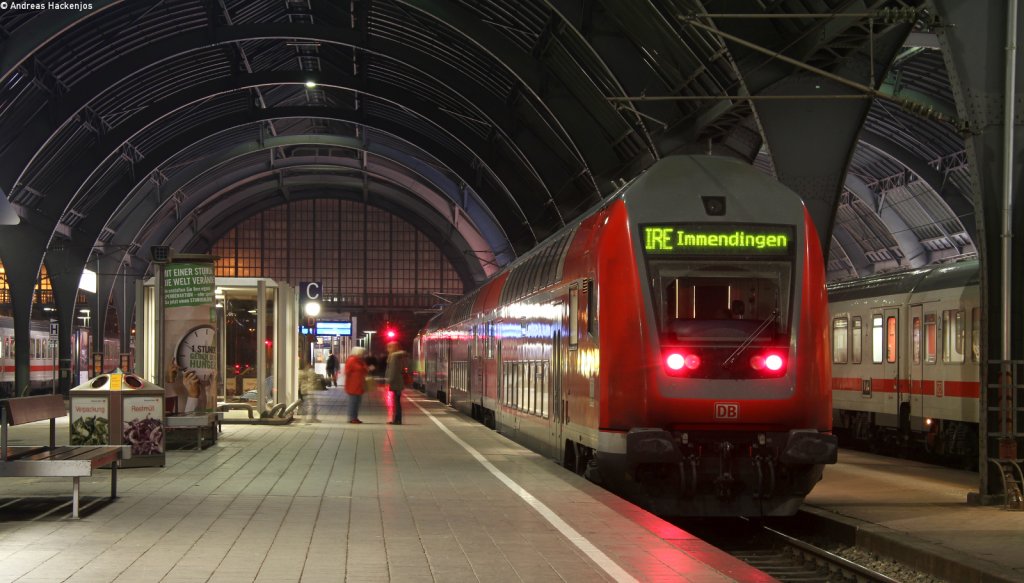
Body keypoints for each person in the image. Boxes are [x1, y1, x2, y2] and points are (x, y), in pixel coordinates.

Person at [385, 341, 409, 425]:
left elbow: (393, 370)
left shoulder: (394, 356)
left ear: (392, 348)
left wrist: (389, 381)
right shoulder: (398, 356)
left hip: (395, 381)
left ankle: (397, 420)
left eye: (389, 347)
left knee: (396, 402)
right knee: (397, 401)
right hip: (398, 381)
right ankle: (397, 419)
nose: (387, 349)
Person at [344, 346, 369, 424]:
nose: (363, 355)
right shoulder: (352, 360)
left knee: (357, 402)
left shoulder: (359, 361)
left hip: (359, 384)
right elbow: (347, 372)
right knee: (353, 402)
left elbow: (365, 369)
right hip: (353, 385)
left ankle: (355, 417)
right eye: (362, 353)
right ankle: (352, 418)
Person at [297, 356, 321, 423]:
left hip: (305, 390)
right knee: (308, 404)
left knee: (309, 404)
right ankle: (307, 418)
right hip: (307, 390)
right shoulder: (307, 371)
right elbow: (313, 378)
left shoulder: (301, 372)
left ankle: (307, 418)